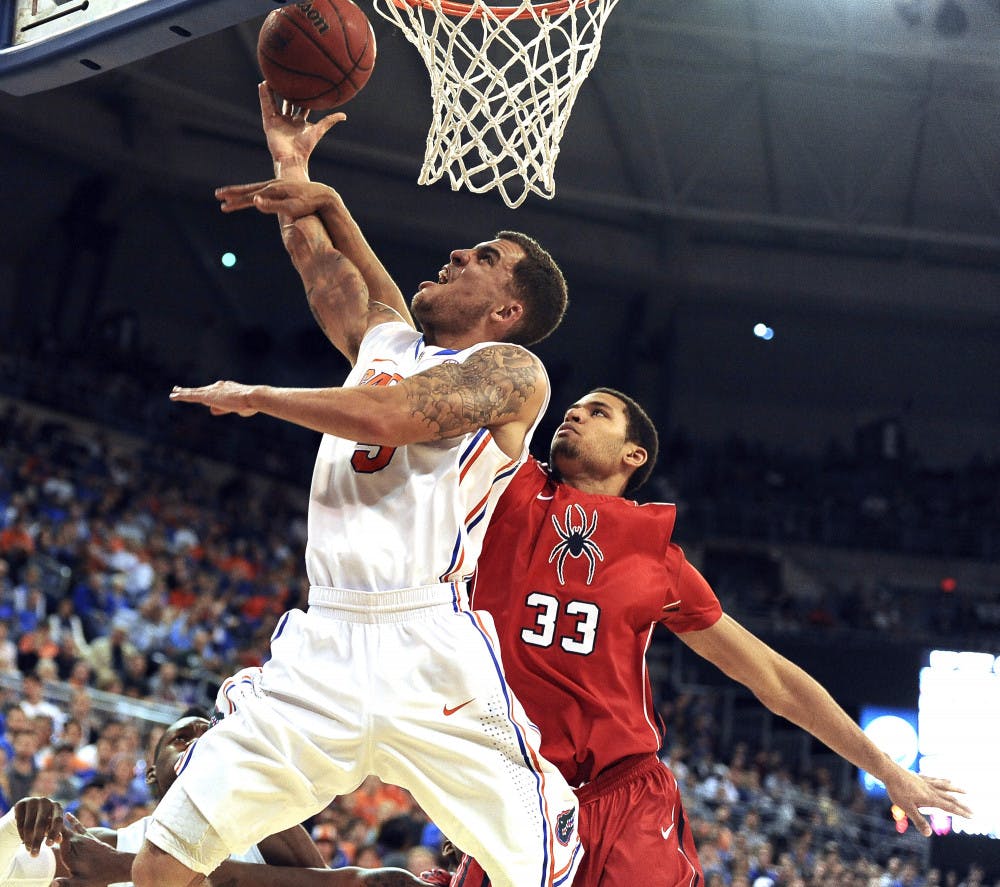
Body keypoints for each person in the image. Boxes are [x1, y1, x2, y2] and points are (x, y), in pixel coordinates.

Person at [133, 84, 582, 887]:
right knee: (169, 852)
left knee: (541, 874)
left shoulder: (515, 372)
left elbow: (394, 416)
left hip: (430, 648)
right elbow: (320, 264)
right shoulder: (388, 336)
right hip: (325, 641)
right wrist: (293, 163)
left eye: (483, 259)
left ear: (508, 309)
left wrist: (263, 396)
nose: (457, 255)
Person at [452, 387, 973, 886]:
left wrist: (886, 769)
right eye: (575, 407)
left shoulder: (656, 559)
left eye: (598, 412)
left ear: (634, 455)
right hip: (515, 794)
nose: (575, 413)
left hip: (620, 797)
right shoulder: (507, 487)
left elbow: (772, 679)